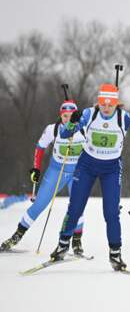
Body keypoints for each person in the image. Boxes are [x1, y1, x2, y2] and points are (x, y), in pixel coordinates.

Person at [48, 83, 130, 271]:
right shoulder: (90, 114)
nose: (106, 108)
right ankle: (63, 244)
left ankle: (115, 253)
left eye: (110, 104)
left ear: (116, 104)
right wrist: (73, 121)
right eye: (103, 104)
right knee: (75, 208)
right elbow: (65, 134)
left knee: (111, 212)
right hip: (87, 165)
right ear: (98, 103)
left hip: (111, 169)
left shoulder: (125, 118)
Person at [0, 100, 87, 254]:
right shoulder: (52, 130)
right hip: (56, 171)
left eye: (71, 115)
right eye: (65, 116)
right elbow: (40, 148)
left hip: (77, 172)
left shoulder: (85, 129)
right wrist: (36, 169)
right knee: (39, 204)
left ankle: (77, 242)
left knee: (77, 206)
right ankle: (17, 236)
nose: (67, 119)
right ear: (61, 116)